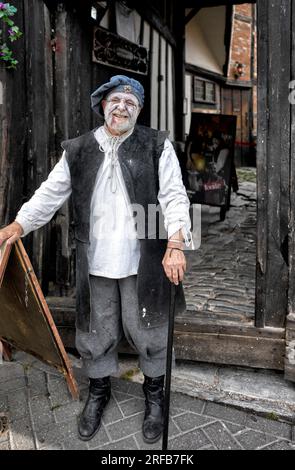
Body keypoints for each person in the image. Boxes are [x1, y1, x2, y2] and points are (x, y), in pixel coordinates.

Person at [0, 75, 192, 444]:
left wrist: (176, 244)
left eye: (130, 103)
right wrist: (19, 224)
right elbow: (50, 193)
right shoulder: (78, 149)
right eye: (116, 100)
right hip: (96, 259)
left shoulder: (156, 145)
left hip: (145, 257)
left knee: (149, 330)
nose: (122, 107)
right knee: (96, 331)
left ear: (138, 110)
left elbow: (174, 195)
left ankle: (154, 396)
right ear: (103, 104)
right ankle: (99, 392)